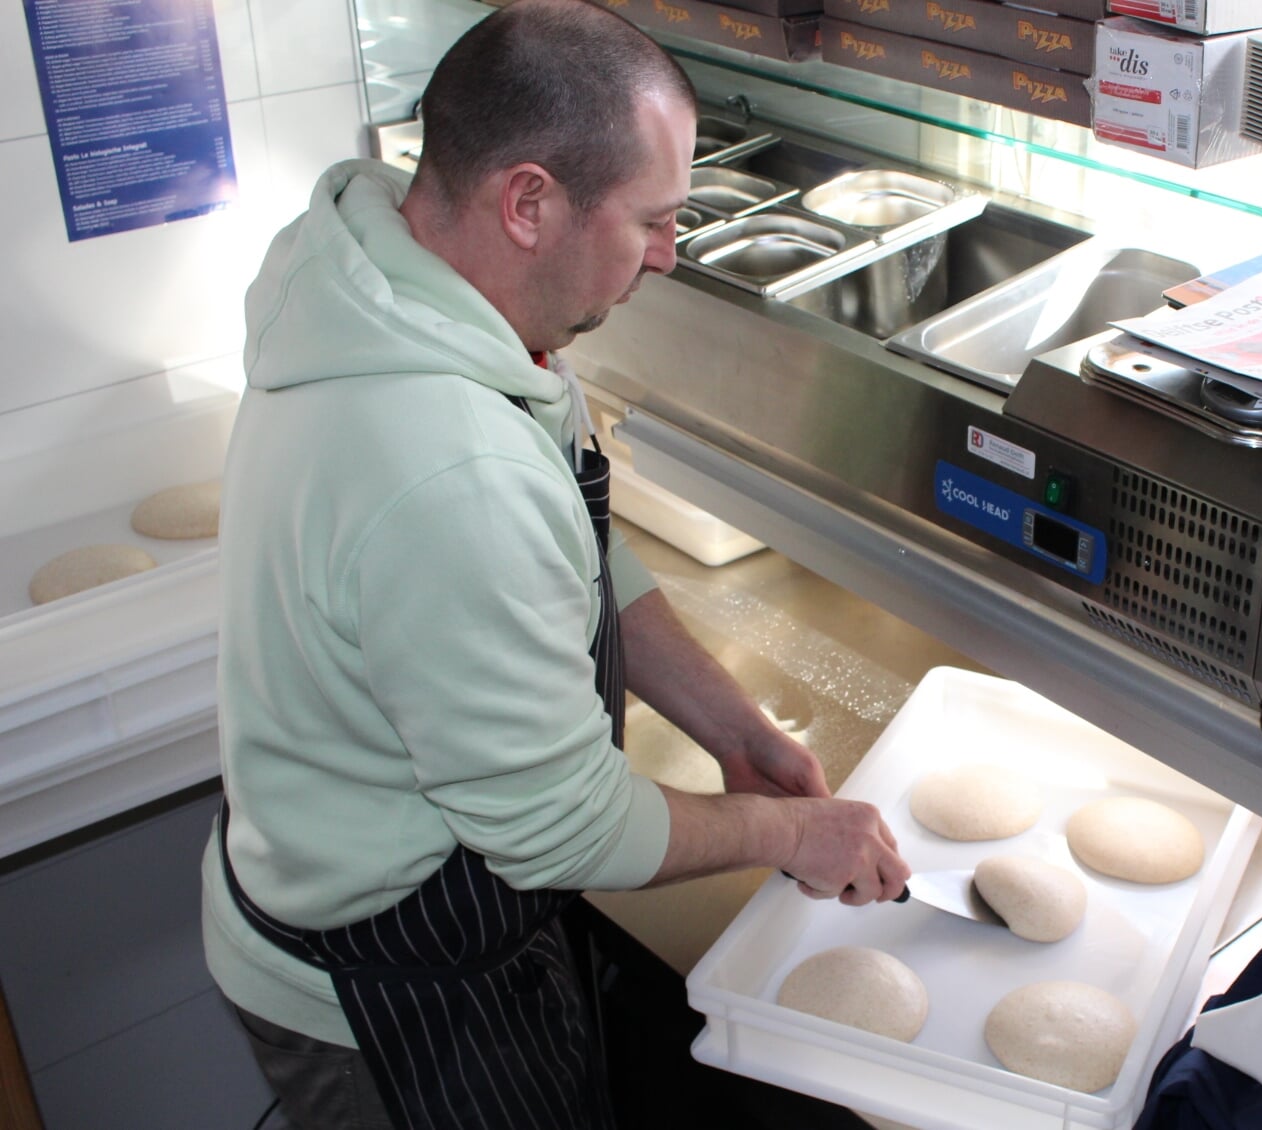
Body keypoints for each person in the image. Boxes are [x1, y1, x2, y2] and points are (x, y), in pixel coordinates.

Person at [200, 2, 911, 1126]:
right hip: (387, 985)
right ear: (527, 201)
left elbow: (580, 541)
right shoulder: (443, 468)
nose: (670, 255)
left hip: (387, 887)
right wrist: (793, 831)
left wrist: (733, 729)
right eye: (653, 219)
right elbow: (564, 826)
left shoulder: (412, 284)